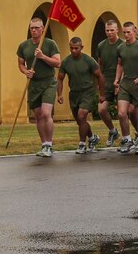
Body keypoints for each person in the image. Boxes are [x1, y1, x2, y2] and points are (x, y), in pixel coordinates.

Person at [17, 17, 62, 157]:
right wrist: (26, 71)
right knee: (37, 116)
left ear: (43, 29)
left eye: (37, 28)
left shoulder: (50, 44)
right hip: (33, 84)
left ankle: (49, 144)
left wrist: (42, 56)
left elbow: (58, 63)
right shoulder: (24, 46)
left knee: (46, 113)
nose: (34, 30)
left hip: (48, 82)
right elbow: (20, 64)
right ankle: (43, 144)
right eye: (32, 28)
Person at [57, 36, 104, 154]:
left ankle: (82, 144)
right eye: (71, 48)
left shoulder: (89, 61)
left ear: (81, 47)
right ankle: (92, 138)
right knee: (80, 121)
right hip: (74, 93)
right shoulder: (66, 62)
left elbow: (99, 76)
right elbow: (60, 79)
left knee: (82, 116)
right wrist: (59, 94)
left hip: (88, 92)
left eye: (76, 48)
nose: (73, 51)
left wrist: (101, 93)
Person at [115, 22, 138, 155]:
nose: (126, 35)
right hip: (126, 83)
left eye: (128, 32)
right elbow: (120, 65)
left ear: (134, 32)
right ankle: (127, 139)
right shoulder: (121, 47)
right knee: (121, 113)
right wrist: (117, 79)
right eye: (124, 32)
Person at [95, 20, 123, 146]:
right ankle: (112, 131)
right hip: (106, 81)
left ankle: (129, 136)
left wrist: (120, 82)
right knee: (101, 109)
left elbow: (124, 65)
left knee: (123, 112)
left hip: (121, 81)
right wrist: (100, 82)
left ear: (117, 30)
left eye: (112, 30)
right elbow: (99, 65)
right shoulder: (101, 45)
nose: (109, 32)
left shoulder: (123, 44)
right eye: (107, 30)